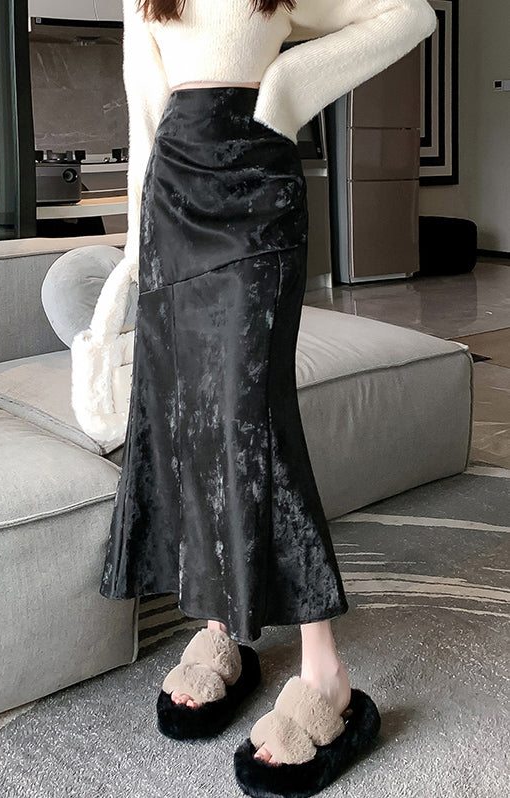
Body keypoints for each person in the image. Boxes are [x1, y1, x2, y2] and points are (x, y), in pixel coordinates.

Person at [97, 1, 437, 793]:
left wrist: (286, 85)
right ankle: (223, 628)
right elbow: (145, 109)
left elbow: (411, 14)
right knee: (190, 420)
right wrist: (135, 254)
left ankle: (326, 675)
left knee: (254, 423)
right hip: (173, 204)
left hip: (259, 198)